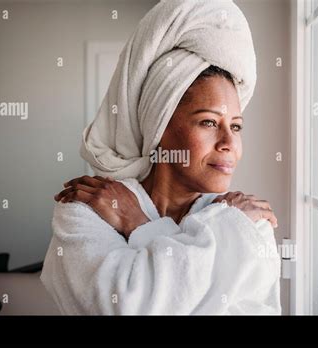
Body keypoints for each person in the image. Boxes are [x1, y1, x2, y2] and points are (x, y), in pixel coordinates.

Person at [41, 0, 281, 315]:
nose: (228, 143)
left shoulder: (249, 222)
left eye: (236, 126)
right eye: (209, 122)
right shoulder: (86, 210)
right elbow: (128, 308)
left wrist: (139, 225)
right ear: (159, 128)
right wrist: (224, 230)